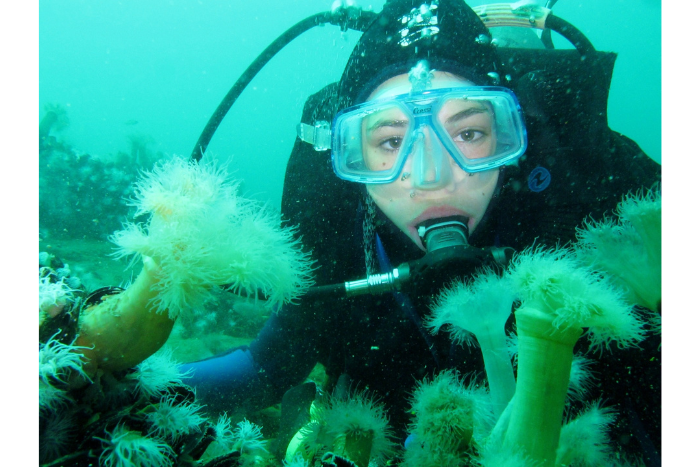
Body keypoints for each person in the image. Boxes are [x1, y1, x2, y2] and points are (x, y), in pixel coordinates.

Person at [184, 0, 660, 463]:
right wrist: (123, 376)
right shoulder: (338, 240)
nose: (432, 177)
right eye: (392, 141)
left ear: (511, 139)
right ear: (354, 159)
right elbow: (264, 367)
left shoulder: (582, 217)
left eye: (469, 134)